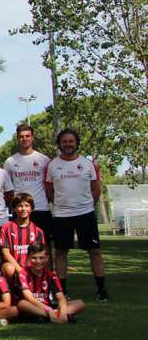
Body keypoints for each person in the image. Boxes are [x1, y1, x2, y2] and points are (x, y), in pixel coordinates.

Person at [45, 128, 107, 301]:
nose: (68, 144)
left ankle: (101, 290)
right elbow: (49, 188)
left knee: (94, 251)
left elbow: (96, 186)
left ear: (76, 143)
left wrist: (88, 204)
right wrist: (58, 203)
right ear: (59, 144)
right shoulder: (52, 165)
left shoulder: (88, 164)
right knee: (61, 252)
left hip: (85, 213)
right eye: (64, 141)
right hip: (61, 215)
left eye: (71, 141)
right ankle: (62, 291)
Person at [3, 124, 52, 244]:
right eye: (21, 136)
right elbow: (7, 187)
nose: (24, 139)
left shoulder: (44, 160)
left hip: (41, 208)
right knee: (20, 245)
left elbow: (50, 185)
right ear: (17, 139)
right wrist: (13, 205)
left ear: (32, 137)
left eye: (27, 136)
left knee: (44, 248)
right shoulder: (10, 162)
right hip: (20, 209)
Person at [16, 242, 84, 324]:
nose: (38, 261)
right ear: (28, 258)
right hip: (33, 306)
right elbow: (29, 298)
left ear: (47, 258)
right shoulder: (23, 273)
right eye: (34, 258)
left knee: (80, 303)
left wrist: (62, 312)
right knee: (22, 304)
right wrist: (48, 310)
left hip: (48, 306)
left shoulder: (51, 275)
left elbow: (61, 297)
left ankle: (50, 316)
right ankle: (53, 315)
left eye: (41, 258)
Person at [0, 193, 47, 283]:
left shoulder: (38, 231)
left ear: (31, 209)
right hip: (15, 267)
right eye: (20, 206)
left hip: (32, 267)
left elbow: (40, 254)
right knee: (8, 268)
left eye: (27, 206)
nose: (23, 209)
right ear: (14, 209)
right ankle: (11, 292)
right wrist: (20, 270)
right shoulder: (6, 228)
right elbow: (5, 253)